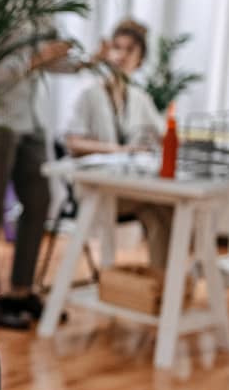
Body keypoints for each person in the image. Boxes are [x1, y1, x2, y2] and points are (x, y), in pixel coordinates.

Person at [0, 0, 99, 330]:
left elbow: (53, 57)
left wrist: (86, 61)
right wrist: (37, 59)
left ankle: (22, 291)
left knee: (40, 200)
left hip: (31, 119)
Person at [64, 18, 171, 268]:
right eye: (117, 47)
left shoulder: (139, 98)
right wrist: (119, 150)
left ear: (140, 59)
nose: (121, 55)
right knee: (162, 207)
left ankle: (164, 285)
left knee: (166, 211)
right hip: (94, 189)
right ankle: (162, 286)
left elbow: (164, 135)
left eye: (129, 50)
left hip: (126, 187)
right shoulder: (89, 93)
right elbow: (72, 142)